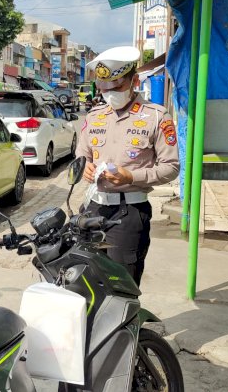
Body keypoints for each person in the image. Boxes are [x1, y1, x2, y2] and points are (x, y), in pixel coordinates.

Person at [75, 46, 179, 286]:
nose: (109, 94)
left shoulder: (156, 116)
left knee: (122, 283)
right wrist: (85, 166)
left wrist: (131, 177)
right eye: (103, 89)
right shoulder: (94, 116)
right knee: (88, 280)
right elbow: (82, 154)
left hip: (128, 212)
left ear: (134, 81)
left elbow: (171, 167)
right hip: (92, 208)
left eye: (116, 87)